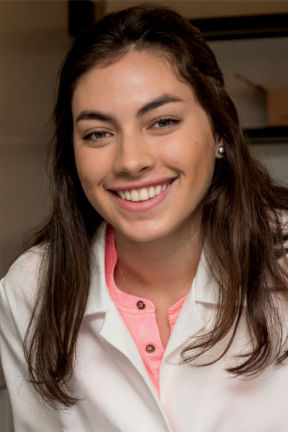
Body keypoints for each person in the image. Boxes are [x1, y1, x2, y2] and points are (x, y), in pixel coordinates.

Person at [1, 5, 288, 431]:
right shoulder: (31, 290)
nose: (131, 161)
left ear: (221, 133)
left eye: (162, 121)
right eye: (98, 133)